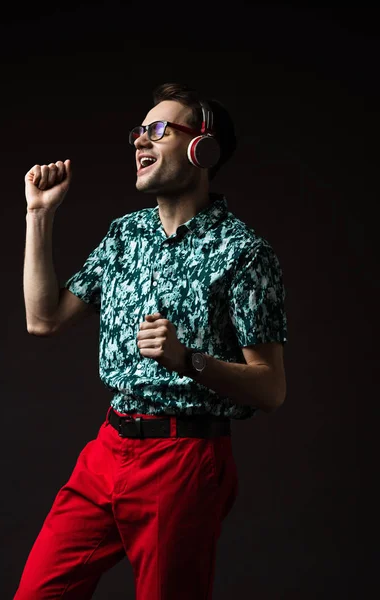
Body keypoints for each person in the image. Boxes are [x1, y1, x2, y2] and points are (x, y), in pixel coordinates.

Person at [15, 82, 288, 599]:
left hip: (184, 459)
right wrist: (39, 214)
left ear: (201, 147)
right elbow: (43, 318)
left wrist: (189, 360)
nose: (140, 142)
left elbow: (271, 389)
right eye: (138, 131)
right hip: (108, 447)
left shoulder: (245, 253)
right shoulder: (126, 234)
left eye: (158, 130)